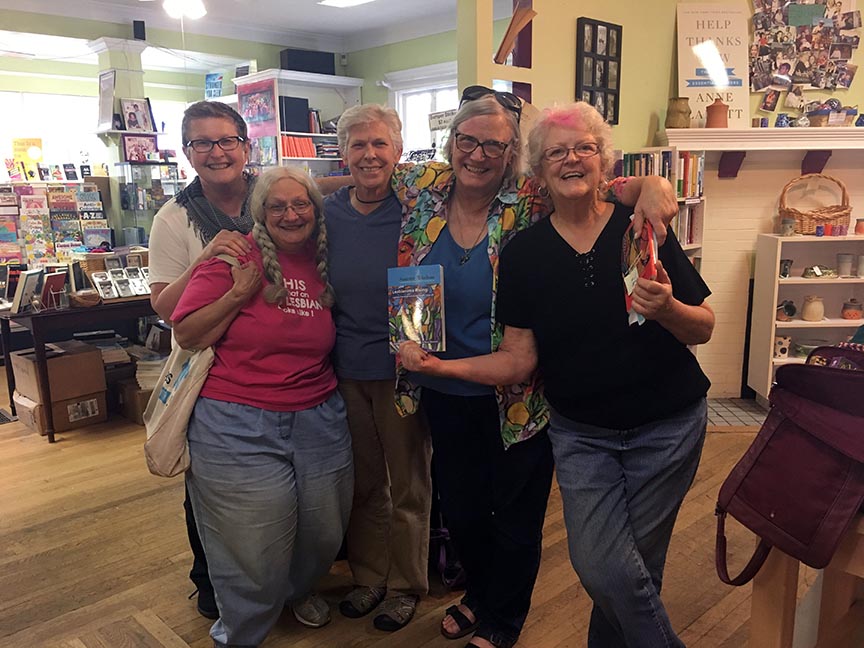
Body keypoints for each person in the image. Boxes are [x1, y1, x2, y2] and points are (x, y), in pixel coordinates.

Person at [401, 102, 715, 648]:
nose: (571, 159)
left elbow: (703, 328)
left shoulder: (639, 227)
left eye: (584, 149)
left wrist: (666, 305)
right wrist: (435, 365)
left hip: (667, 425)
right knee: (605, 566)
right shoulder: (521, 250)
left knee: (630, 566)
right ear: (539, 171)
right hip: (582, 433)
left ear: (602, 160)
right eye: (556, 153)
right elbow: (520, 357)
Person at [171, 166, 353, 648]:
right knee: (250, 542)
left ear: (316, 211)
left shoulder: (329, 258)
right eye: (278, 206)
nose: (291, 214)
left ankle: (293, 591)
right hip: (236, 420)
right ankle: (240, 630)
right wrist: (237, 293)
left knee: (323, 530)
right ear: (260, 214)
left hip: (319, 413)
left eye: (301, 204)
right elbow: (186, 333)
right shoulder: (234, 257)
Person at [324, 104, 432, 631]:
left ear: (397, 150)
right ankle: (368, 577)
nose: (369, 154)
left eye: (379, 144)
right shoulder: (326, 212)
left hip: (403, 368)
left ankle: (408, 585)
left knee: (409, 482)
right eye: (358, 145)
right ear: (343, 153)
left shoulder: (419, 208)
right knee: (365, 483)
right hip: (345, 370)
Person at [149, 100, 256, 621]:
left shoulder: (273, 197)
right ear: (187, 153)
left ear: (245, 145)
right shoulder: (173, 218)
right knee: (209, 488)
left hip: (268, 362)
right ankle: (209, 580)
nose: (217, 153)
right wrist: (209, 256)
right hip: (207, 369)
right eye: (202, 143)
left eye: (226, 140)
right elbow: (165, 308)